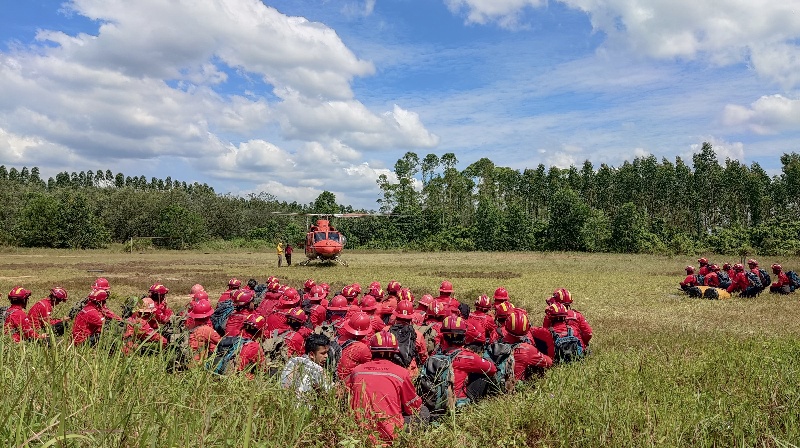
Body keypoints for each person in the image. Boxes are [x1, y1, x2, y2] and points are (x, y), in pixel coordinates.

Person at [346, 330, 425, 444]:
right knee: (424, 412)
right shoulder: (401, 373)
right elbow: (412, 407)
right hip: (389, 436)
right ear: (395, 352)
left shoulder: (357, 371)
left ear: (371, 350)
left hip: (359, 434)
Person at [438, 315, 497, 407]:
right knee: (484, 373)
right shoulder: (468, 357)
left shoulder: (435, 356)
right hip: (457, 403)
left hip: (436, 402)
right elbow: (492, 369)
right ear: (463, 336)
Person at [281, 333, 333, 401]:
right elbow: (332, 393)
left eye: (327, 352)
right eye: (323, 353)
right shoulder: (316, 369)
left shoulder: (293, 361)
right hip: (302, 409)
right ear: (311, 354)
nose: (326, 356)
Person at [503, 310, 552, 382]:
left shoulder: (497, 342)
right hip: (515, 388)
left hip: (496, 384)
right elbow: (549, 362)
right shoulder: (527, 349)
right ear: (527, 328)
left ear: (506, 326)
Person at [388, 300, 428, 378]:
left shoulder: (386, 331)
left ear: (396, 316)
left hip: (390, 372)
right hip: (409, 373)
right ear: (411, 318)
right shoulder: (417, 335)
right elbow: (423, 357)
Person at [336, 312, 373, 382]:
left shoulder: (338, 338)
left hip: (332, 379)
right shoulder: (363, 348)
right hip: (347, 385)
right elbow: (369, 368)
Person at [187, 298, 221, 363]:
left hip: (188, 359)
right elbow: (220, 341)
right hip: (197, 363)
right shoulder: (206, 330)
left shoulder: (191, 324)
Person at [237, 314, 268, 379]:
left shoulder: (236, 338)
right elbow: (263, 369)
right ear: (260, 331)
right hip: (240, 376)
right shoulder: (254, 346)